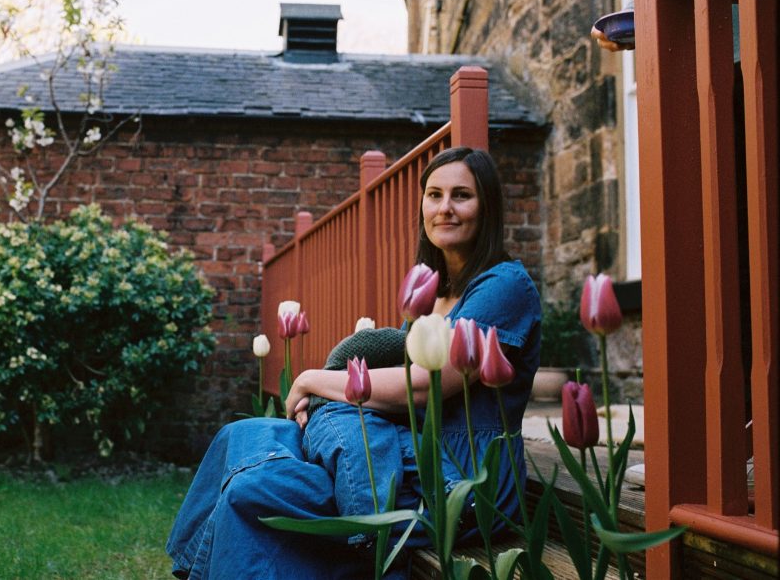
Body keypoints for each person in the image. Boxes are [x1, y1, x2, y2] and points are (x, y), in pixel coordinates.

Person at [166, 147, 542, 580]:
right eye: (434, 195)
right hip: (406, 456)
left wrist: (313, 380)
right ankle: (194, 569)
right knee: (241, 435)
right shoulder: (435, 291)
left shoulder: (504, 285)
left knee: (254, 490)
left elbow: (426, 384)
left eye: (461, 196)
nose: (445, 208)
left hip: (464, 481)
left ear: (487, 207)